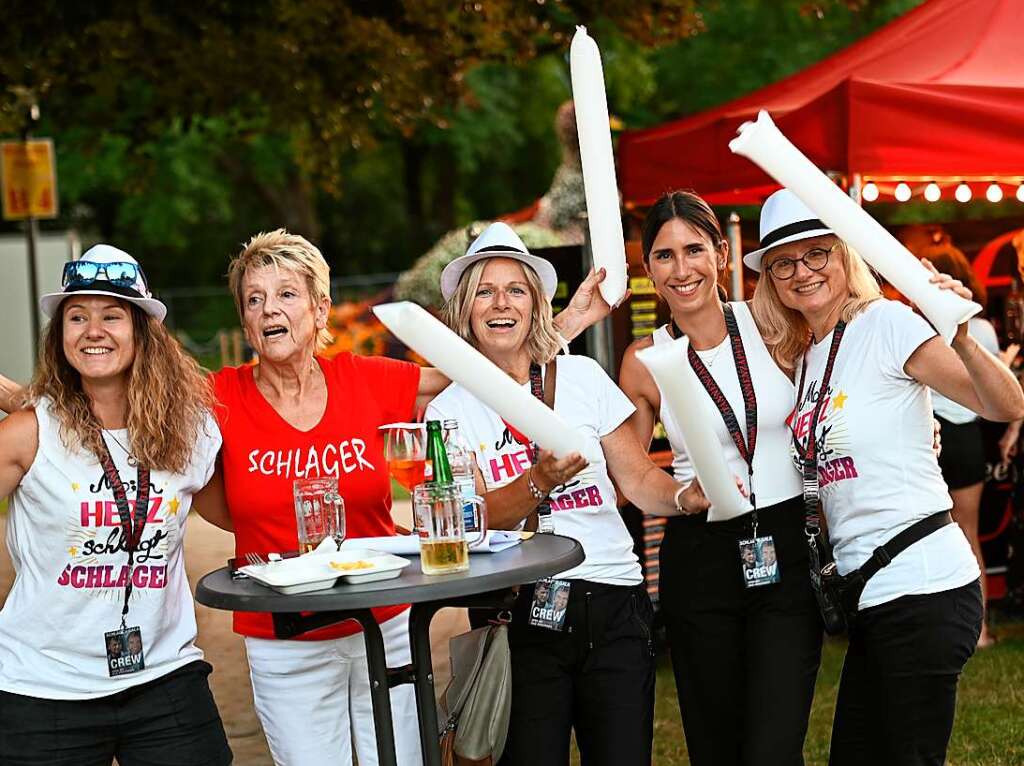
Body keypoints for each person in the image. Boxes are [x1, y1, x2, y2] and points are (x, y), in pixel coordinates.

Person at [204, 228, 612, 766]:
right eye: (254, 299)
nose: (269, 309)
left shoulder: (362, 379)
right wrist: (264, 521)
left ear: (321, 308)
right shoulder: (221, 396)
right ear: (244, 318)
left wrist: (568, 323)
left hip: (387, 622)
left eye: (286, 294)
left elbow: (483, 374)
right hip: (285, 637)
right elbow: (202, 495)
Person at [750, 189, 1024, 765]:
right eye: (784, 263)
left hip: (922, 585)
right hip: (868, 597)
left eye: (817, 253)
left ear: (844, 255)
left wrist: (963, 335)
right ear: (769, 279)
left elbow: (1005, 404)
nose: (803, 272)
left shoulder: (888, 324)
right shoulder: (805, 359)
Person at [426, 222, 702, 766]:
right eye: (484, 290)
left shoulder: (581, 376)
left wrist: (683, 498)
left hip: (615, 603)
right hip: (519, 614)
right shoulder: (448, 412)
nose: (500, 303)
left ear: (535, 305)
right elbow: (471, 521)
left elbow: (637, 478)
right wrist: (539, 482)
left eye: (516, 290)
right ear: (464, 309)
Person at [0, 245, 232, 766]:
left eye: (112, 315)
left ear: (142, 331)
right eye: (76, 317)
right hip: (44, 689)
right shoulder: (28, 433)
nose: (93, 330)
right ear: (60, 337)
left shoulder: (190, 433)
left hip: (163, 677)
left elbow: (239, 516)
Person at [618, 191, 823, 766]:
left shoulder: (774, 324)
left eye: (693, 250)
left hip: (782, 545)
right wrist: (680, 496)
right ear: (648, 269)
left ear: (722, 255)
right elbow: (629, 471)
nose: (681, 269)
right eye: (663, 256)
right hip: (701, 554)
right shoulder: (646, 359)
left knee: (774, 744)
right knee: (716, 743)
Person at [913, 245, 1002, 647]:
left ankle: (941, 631)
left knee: (930, 534)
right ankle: (979, 631)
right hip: (968, 437)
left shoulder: (920, 326)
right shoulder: (981, 327)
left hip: (932, 434)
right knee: (970, 534)